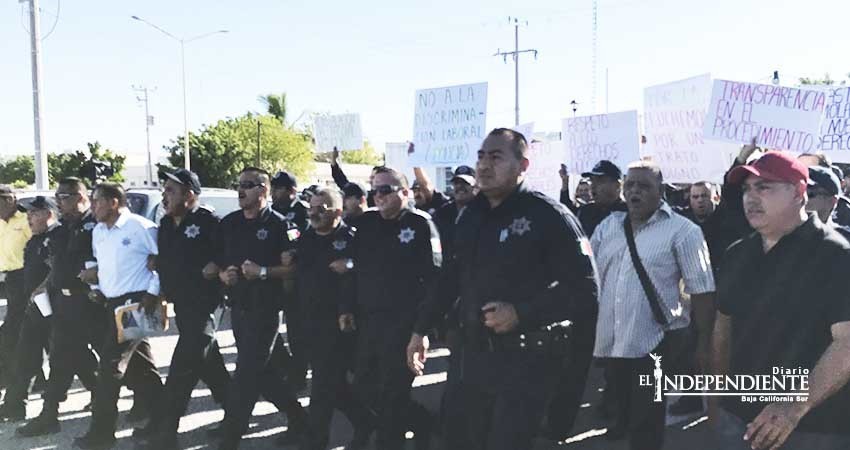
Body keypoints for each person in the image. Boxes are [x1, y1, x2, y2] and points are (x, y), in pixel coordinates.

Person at [408, 128, 599, 450]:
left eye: (496, 157)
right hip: (470, 358)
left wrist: (521, 313)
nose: (484, 165)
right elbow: (451, 277)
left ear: (522, 165)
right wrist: (420, 329)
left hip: (524, 364)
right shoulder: (470, 216)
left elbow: (585, 289)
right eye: (481, 156)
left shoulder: (548, 216)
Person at [711, 151, 850, 450]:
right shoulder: (737, 254)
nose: (750, 197)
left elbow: (846, 343)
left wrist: (792, 407)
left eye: (764, 187)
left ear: (800, 193)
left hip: (813, 428)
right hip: (738, 421)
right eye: (747, 189)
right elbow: (723, 327)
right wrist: (717, 398)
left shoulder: (836, 256)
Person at [591, 161, 716, 450]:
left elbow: (703, 290)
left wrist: (704, 343)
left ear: (661, 191)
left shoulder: (683, 231)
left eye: (644, 186)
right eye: (630, 185)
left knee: (646, 421)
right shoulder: (608, 226)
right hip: (611, 342)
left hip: (655, 343)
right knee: (618, 411)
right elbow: (590, 276)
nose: (635, 191)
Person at [341, 166, 441, 450]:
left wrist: (421, 330)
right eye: (375, 191)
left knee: (392, 399)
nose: (378, 196)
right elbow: (354, 268)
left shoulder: (421, 223)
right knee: (363, 388)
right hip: (370, 323)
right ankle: (423, 422)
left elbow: (436, 281)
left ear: (405, 192)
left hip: (405, 326)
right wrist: (346, 306)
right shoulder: (368, 223)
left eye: (385, 190)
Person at [133, 169, 231, 450]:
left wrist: (218, 264)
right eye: (164, 190)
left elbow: (228, 252)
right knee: (211, 365)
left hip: (206, 307)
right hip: (183, 306)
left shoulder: (209, 222)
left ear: (189, 195)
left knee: (182, 369)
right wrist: (157, 280)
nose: (164, 196)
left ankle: (166, 431)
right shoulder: (165, 225)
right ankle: (237, 413)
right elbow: (167, 262)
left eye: (170, 191)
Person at [213, 167, 307, 450]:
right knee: (262, 373)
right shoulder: (229, 223)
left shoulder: (282, 226)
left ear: (263, 191)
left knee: (245, 374)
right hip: (239, 309)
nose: (241, 190)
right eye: (239, 184)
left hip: (266, 310)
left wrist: (263, 272)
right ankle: (300, 418)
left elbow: (293, 271)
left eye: (249, 185)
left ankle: (230, 438)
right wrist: (223, 274)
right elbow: (217, 260)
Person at [73, 182, 164, 449]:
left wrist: (153, 293)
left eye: (98, 201)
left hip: (135, 304)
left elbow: (161, 261)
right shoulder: (99, 231)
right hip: (109, 303)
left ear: (114, 202)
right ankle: (163, 420)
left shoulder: (140, 227)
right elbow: (103, 265)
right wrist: (96, 285)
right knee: (142, 368)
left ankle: (101, 434)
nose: (93, 206)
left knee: (109, 368)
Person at [16, 178, 101, 437]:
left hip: (89, 301)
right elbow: (57, 265)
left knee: (118, 359)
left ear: (81, 197)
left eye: (64, 196)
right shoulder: (63, 227)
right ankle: (49, 414)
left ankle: (149, 402)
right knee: (61, 357)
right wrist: (46, 285)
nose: (59, 201)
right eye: (58, 196)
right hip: (63, 301)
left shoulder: (93, 225)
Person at [295, 187, 374, 450]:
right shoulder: (305, 239)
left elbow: (370, 268)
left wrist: (350, 264)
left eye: (321, 208)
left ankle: (314, 442)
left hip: (343, 323)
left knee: (322, 390)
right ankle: (367, 421)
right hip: (312, 322)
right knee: (334, 386)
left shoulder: (353, 238)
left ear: (338, 212)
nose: (314, 213)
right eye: (311, 208)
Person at [0, 197, 61, 421]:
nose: (29, 219)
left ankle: (99, 391)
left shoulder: (57, 238)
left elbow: (58, 270)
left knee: (73, 356)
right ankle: (14, 406)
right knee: (25, 353)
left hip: (57, 305)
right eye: (28, 214)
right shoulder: (35, 241)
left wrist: (42, 288)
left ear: (48, 214)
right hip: (32, 304)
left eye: (34, 214)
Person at [0, 185, 33, 386]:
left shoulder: (25, 219)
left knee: (14, 331)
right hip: (9, 279)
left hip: (27, 278)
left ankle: (11, 379)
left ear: (10, 200)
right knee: (24, 330)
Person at [433, 165, 477, 259]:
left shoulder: (483, 212)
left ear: (475, 187)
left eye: (465, 183)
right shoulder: (442, 213)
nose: (460, 187)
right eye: (456, 183)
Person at [576, 160, 628, 236]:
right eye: (592, 181)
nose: (593, 186)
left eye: (600, 181)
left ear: (617, 185)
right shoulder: (585, 212)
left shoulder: (629, 212)